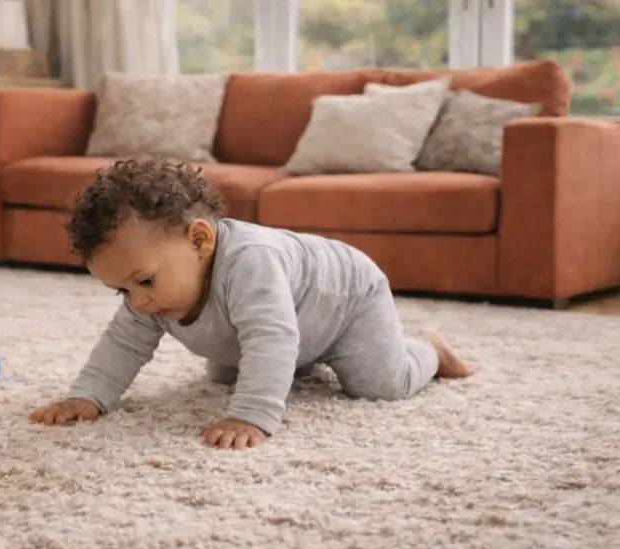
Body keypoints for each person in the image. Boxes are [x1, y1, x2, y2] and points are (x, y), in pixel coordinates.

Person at [28, 157, 474, 449]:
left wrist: (251, 416)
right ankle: (303, 362)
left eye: (144, 281)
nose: (138, 301)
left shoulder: (250, 262)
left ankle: (429, 348)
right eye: (122, 290)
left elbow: (270, 336)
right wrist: (88, 395)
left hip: (347, 303)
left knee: (381, 385)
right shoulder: (150, 291)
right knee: (226, 374)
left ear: (199, 240)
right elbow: (122, 344)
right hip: (294, 318)